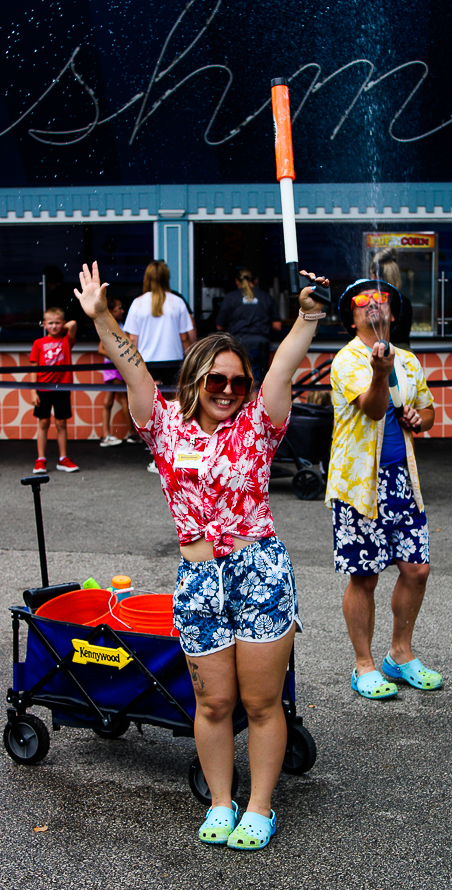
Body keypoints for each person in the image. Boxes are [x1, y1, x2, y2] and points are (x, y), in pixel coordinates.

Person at [74, 260, 329, 851]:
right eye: (215, 380)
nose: (226, 390)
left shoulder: (260, 424)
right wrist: (102, 317)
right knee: (214, 703)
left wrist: (308, 317)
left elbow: (284, 363)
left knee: (263, 703)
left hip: (260, 571)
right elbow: (131, 368)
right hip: (198, 579)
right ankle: (221, 801)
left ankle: (260, 808)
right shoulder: (164, 428)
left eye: (236, 382)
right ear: (193, 380)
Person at [326, 278, 441, 701]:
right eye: (363, 301)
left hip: (402, 480)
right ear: (351, 316)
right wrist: (380, 373)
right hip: (359, 485)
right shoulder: (347, 360)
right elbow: (374, 409)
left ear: (392, 312)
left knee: (417, 569)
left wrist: (418, 418)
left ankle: (400, 654)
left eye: (381, 300)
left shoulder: (408, 360)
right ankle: (364, 665)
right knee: (365, 576)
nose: (373, 305)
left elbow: (429, 411)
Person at [124, 260, 194, 471]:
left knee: (154, 411)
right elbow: (185, 339)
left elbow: (132, 341)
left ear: (146, 278)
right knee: (178, 410)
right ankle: (177, 452)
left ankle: (157, 455)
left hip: (147, 364)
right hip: (173, 362)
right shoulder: (177, 303)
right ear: (167, 278)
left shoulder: (137, 303)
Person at [30, 306, 79, 474]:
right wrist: (33, 390)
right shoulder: (38, 343)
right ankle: (41, 459)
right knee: (43, 422)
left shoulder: (66, 340)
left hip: (62, 388)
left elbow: (73, 325)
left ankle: (63, 458)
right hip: (43, 388)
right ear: (44, 324)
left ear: (62, 323)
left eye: (57, 323)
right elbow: (34, 368)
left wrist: (62, 327)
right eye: (50, 323)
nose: (54, 326)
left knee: (61, 423)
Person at [216, 268, 282, 385]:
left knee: (237, 380)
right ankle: (255, 403)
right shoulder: (266, 297)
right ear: (255, 281)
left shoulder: (230, 298)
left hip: (237, 345)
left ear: (237, 281)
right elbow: (277, 326)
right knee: (257, 382)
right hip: (260, 346)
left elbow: (219, 327)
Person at [97, 297, 140, 446]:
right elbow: (101, 349)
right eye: (119, 308)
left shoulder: (120, 325)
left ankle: (105, 435)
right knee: (123, 399)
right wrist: (119, 358)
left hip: (116, 367)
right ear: (110, 311)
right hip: (113, 367)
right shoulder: (108, 326)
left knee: (108, 401)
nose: (122, 311)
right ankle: (131, 433)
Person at [369, 247, 413, 351]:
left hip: (383, 354)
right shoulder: (404, 302)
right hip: (405, 356)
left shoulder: (374, 302)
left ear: (375, 276)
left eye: (370, 275)